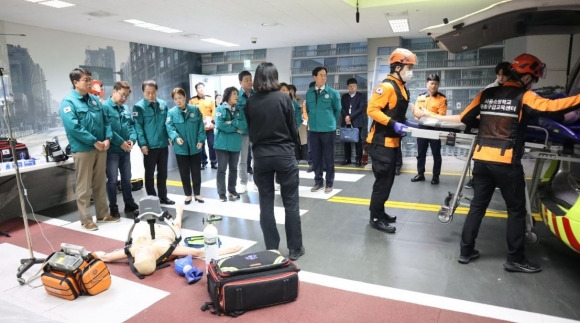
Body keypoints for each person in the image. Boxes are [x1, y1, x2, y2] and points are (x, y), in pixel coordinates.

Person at [414, 53, 580, 273]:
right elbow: (552, 107)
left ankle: (466, 251)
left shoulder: (486, 93)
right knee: (516, 210)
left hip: (481, 159)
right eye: (534, 78)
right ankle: (515, 259)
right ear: (528, 77)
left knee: (477, 206)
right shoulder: (525, 96)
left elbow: (465, 118)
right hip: (506, 161)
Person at [245, 62, 305, 261]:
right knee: (291, 203)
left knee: (266, 203)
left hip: (261, 156)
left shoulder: (250, 102)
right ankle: (295, 248)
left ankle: (272, 247)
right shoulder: (283, 98)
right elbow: (292, 127)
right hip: (284, 154)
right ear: (274, 77)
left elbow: (251, 131)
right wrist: (296, 151)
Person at [95, 204, 242, 276]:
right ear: (152, 255)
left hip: (150, 231)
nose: (140, 250)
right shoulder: (163, 249)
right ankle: (179, 212)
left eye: (140, 252)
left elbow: (106, 257)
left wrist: (90, 255)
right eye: (142, 252)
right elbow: (199, 252)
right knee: (177, 225)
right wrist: (229, 250)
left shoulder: (134, 251)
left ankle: (177, 213)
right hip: (166, 234)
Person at [60, 68, 117, 231]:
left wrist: (107, 138)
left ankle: (103, 214)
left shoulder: (94, 100)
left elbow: (106, 121)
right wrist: (94, 141)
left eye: (90, 79)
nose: (90, 82)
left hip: (101, 147)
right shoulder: (68, 102)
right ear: (75, 82)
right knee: (83, 186)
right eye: (86, 79)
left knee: (100, 182)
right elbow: (74, 127)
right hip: (84, 149)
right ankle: (86, 219)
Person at [367, 48, 417, 234]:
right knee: (382, 183)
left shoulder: (402, 88)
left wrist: (408, 123)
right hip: (380, 143)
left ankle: (380, 211)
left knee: (387, 182)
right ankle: (375, 217)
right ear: (397, 67)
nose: (410, 71)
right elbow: (372, 110)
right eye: (408, 67)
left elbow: (396, 113)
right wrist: (393, 123)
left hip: (392, 143)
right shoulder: (386, 87)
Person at [464, 61, 511, 189]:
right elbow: (473, 112)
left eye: (504, 75)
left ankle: (497, 181)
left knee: (499, 157)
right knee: (480, 156)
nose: (500, 78)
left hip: (503, 128)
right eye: (498, 75)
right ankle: (475, 180)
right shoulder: (489, 89)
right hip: (487, 126)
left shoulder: (514, 91)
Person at [133, 80, 175, 205]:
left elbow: (168, 123)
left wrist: (170, 137)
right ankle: (152, 199)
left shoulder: (162, 104)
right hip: (149, 146)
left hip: (162, 144)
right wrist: (142, 144)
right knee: (149, 174)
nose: (151, 95)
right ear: (143, 92)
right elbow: (138, 127)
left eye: (153, 92)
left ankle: (163, 197)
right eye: (148, 93)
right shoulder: (138, 107)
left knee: (163, 173)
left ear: (157, 91)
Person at [102, 81, 139, 217]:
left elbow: (131, 127)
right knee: (112, 180)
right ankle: (113, 207)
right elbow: (107, 128)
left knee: (126, 178)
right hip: (112, 151)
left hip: (125, 150)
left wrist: (131, 140)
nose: (124, 98)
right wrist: (120, 142)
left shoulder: (125, 109)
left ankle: (129, 204)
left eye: (126, 96)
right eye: (122, 95)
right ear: (114, 91)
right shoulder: (104, 107)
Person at [166, 88, 207, 205]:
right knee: (184, 173)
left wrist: (201, 140)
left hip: (195, 146)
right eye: (175, 99)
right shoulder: (171, 113)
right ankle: (188, 195)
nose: (178, 101)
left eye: (180, 98)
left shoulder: (195, 109)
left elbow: (200, 126)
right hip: (181, 148)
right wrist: (175, 137)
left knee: (196, 172)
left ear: (185, 97)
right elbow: (169, 127)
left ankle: (197, 194)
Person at [304, 67, 341, 193]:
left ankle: (329, 183)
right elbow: (308, 110)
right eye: (321, 75)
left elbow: (337, 110)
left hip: (328, 130)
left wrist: (331, 123)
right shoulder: (309, 93)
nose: (324, 77)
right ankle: (318, 182)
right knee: (316, 157)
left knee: (329, 158)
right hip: (313, 130)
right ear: (314, 77)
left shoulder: (333, 93)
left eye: (325, 75)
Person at [411, 74, 447, 185]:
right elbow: (416, 115)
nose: (434, 86)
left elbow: (441, 116)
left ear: (438, 85)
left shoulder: (442, 99)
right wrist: (426, 115)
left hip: (435, 129)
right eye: (431, 83)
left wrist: (425, 114)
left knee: (436, 153)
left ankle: (436, 176)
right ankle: (420, 174)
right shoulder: (420, 97)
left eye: (436, 83)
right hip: (422, 127)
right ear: (427, 84)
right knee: (421, 152)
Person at [214, 87, 245, 202]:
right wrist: (235, 128)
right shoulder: (220, 109)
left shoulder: (239, 110)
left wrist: (231, 122)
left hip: (235, 144)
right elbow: (220, 124)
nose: (237, 96)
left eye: (237, 94)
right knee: (221, 169)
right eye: (234, 94)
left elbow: (243, 125)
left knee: (233, 169)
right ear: (227, 96)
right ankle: (221, 193)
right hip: (222, 144)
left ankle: (232, 190)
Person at [340, 78, 367, 167]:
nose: (352, 88)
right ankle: (347, 159)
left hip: (357, 121)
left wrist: (350, 117)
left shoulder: (361, 96)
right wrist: (346, 116)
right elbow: (342, 108)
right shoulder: (344, 96)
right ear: (347, 87)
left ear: (356, 86)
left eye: (354, 86)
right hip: (346, 121)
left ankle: (358, 160)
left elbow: (361, 108)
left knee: (358, 141)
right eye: (350, 86)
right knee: (346, 140)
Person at [189, 82, 217, 170]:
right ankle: (203, 162)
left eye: (202, 87)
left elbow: (214, 111)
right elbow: (191, 113)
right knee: (201, 144)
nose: (201, 89)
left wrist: (213, 122)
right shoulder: (192, 101)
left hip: (209, 126)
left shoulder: (210, 99)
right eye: (199, 88)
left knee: (212, 144)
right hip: (199, 127)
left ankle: (214, 162)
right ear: (196, 90)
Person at [236, 71, 254, 193]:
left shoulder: (256, 94)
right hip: (242, 132)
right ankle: (243, 182)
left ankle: (257, 182)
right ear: (240, 82)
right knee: (243, 159)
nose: (249, 82)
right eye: (246, 79)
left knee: (257, 158)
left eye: (250, 79)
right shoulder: (236, 95)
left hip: (256, 131)